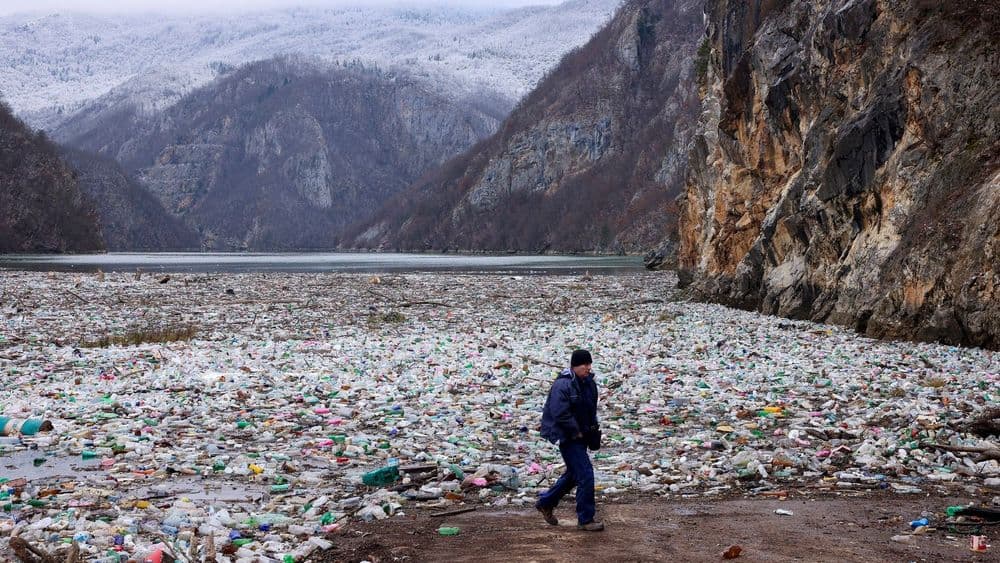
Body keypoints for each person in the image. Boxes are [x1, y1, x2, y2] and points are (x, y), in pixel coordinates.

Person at [535, 349, 604, 531]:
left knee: (574, 475)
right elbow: (560, 414)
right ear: (574, 365)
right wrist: (576, 432)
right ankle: (586, 519)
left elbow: (591, 411)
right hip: (568, 436)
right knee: (586, 475)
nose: (588, 368)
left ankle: (546, 503)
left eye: (589, 364)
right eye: (584, 365)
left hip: (582, 435)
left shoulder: (588, 383)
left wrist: (592, 431)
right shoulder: (563, 385)